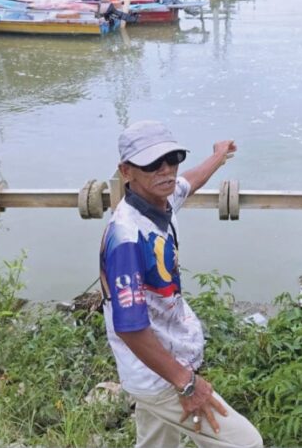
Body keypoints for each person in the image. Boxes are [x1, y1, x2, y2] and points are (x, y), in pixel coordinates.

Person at [99, 120, 263, 448]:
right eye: (152, 163)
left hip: (152, 366)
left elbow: (189, 182)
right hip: (159, 376)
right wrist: (186, 384)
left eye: (172, 158)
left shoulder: (161, 200)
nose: (166, 170)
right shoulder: (127, 238)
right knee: (245, 443)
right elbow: (130, 328)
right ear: (126, 171)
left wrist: (218, 155)